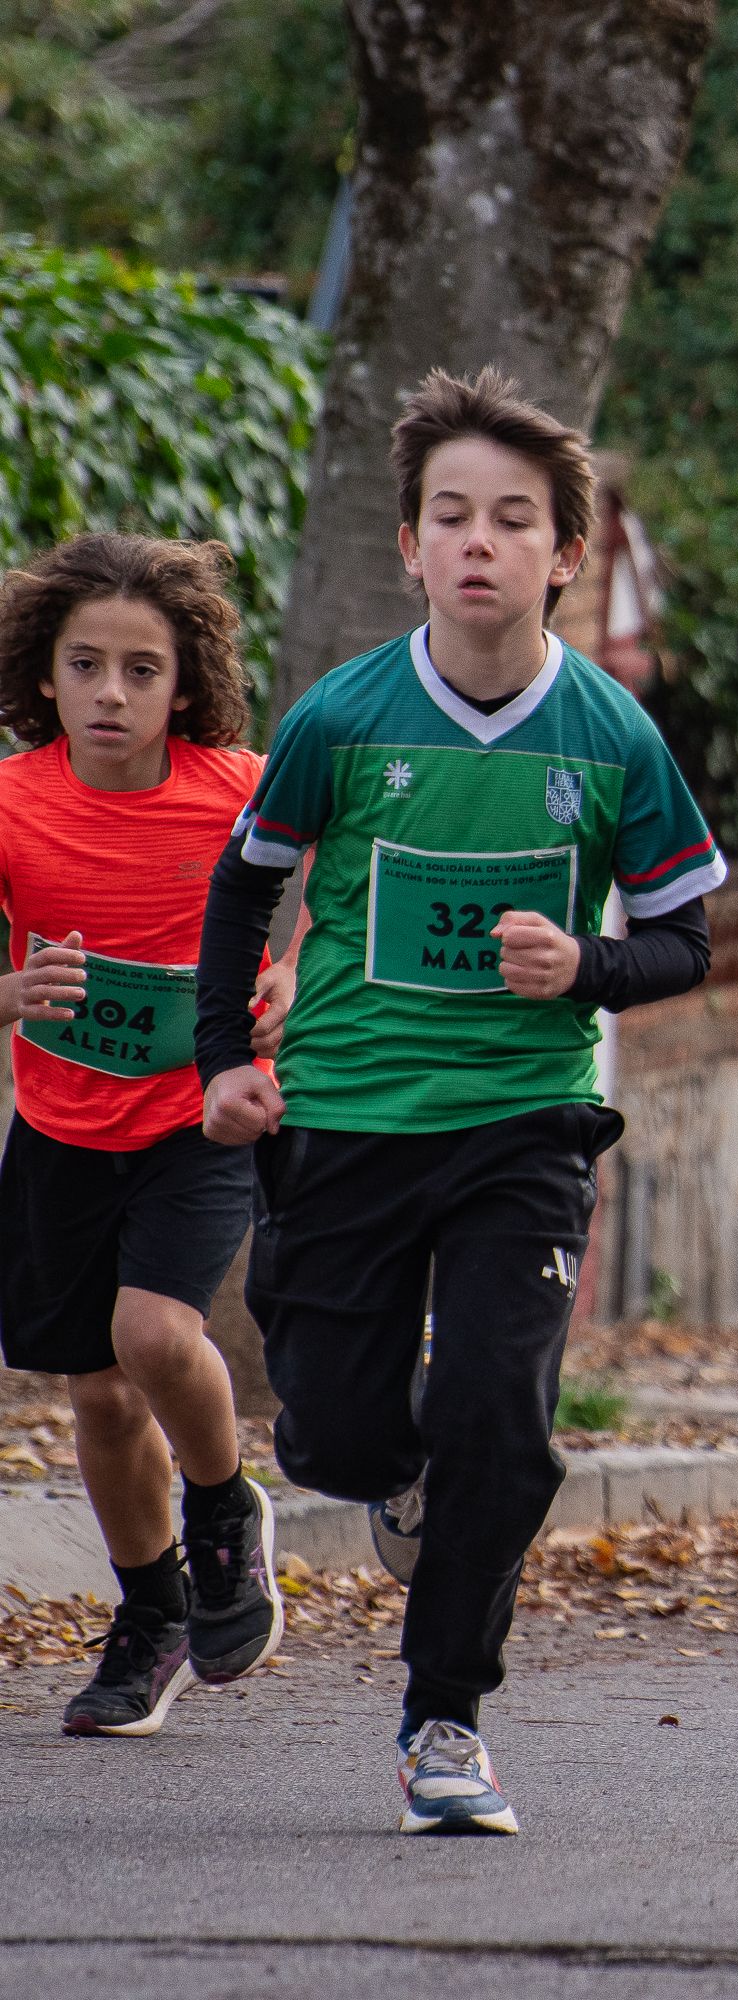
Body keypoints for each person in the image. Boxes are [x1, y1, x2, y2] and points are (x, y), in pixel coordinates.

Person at [196, 368, 726, 1834]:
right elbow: (242, 895)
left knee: (504, 1414)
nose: (478, 543)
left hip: (524, 1126)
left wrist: (586, 966)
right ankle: (395, 1478)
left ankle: (447, 1720)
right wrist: (225, 1063)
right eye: (450, 517)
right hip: (351, 1117)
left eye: (513, 520)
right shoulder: (343, 718)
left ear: (568, 554)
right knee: (337, 1440)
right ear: (413, 548)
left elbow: (686, 939)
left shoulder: (612, 737)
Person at [0, 534, 292, 1737]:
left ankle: (224, 1511)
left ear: (185, 684)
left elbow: (328, 884)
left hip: (199, 1111)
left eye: (139, 668)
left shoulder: (239, 790)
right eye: (86, 665)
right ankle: (152, 1613)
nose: (110, 692)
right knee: (101, 1394)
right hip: (64, 1126)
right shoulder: (13, 802)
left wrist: (291, 976)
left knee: (153, 1329)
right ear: (47, 676)